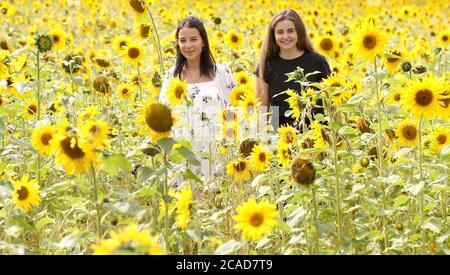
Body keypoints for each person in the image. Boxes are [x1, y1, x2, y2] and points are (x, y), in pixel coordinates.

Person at [159, 16, 237, 184]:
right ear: (178, 45)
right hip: (182, 150)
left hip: (214, 150)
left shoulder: (221, 73)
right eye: (182, 40)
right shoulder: (171, 75)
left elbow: (233, 112)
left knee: (214, 199)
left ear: (203, 42)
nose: (188, 45)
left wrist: (230, 149)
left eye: (193, 39)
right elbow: (163, 115)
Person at [255, 9, 331, 131]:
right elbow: (263, 109)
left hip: (316, 137)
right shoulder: (266, 64)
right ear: (273, 35)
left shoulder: (317, 62)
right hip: (280, 139)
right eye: (280, 32)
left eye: (290, 31)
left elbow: (331, 103)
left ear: (299, 32)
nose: (285, 36)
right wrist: (264, 140)